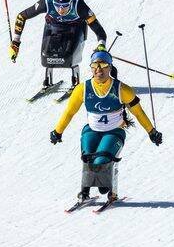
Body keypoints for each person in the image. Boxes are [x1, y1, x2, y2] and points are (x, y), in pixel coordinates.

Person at [49, 50, 162, 203]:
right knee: (87, 156)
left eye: (103, 65)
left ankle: (110, 190)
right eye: (95, 65)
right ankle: (85, 192)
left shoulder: (122, 89)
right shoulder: (82, 89)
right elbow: (69, 112)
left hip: (114, 132)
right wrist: (58, 131)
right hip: (92, 130)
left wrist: (152, 132)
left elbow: (138, 112)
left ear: (110, 68)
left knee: (101, 161)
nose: (99, 69)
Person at [9, 0, 108, 90]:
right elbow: (21, 16)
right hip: (53, 27)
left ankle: (75, 80)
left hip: (75, 28)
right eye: (58, 6)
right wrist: (16, 42)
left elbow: (99, 30)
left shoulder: (79, 4)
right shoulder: (47, 2)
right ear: (53, 1)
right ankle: (47, 79)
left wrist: (101, 45)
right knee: (46, 55)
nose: (61, 10)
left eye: (65, 6)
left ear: (70, 2)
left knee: (70, 56)